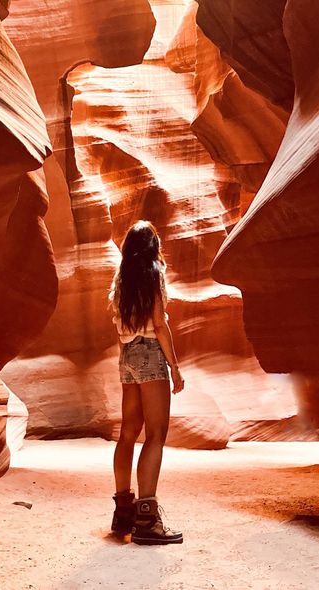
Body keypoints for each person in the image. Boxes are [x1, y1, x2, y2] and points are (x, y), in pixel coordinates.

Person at [108, 220, 185, 545]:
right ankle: (147, 519)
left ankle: (123, 509)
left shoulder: (122, 276)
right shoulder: (154, 273)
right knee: (155, 434)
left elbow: (120, 320)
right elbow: (159, 324)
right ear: (153, 247)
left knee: (128, 433)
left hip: (127, 354)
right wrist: (175, 368)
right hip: (151, 353)